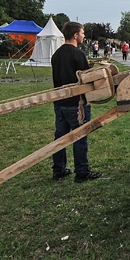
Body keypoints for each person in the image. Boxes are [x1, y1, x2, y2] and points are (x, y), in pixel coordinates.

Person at [51, 21, 102, 182]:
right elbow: (87, 80)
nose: (83, 35)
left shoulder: (56, 54)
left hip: (59, 103)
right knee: (80, 137)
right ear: (75, 35)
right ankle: (81, 171)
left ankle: (58, 169)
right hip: (77, 104)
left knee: (60, 137)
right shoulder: (78, 54)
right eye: (82, 33)